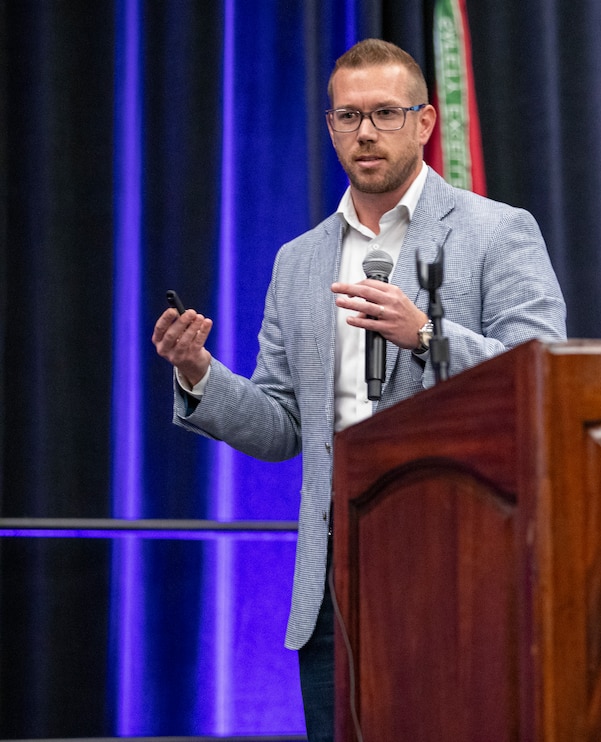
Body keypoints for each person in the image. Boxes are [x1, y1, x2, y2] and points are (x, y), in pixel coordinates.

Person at [151, 38, 566, 741]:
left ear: (426, 122)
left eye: (384, 113)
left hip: (460, 569)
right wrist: (200, 375)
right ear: (331, 127)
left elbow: (543, 375)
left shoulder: (498, 232)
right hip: (334, 590)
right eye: (348, 117)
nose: (365, 133)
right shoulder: (300, 260)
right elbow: (281, 426)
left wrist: (429, 336)